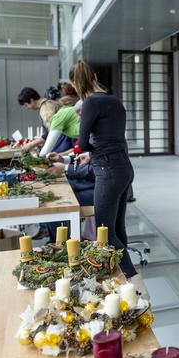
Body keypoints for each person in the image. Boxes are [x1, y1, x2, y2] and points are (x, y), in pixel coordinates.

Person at [70, 60, 136, 278]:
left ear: (78, 83)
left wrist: (87, 149)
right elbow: (113, 139)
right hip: (124, 169)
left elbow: (83, 142)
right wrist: (93, 152)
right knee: (117, 228)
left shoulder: (90, 103)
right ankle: (123, 275)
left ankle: (131, 277)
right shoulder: (115, 101)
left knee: (105, 232)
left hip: (107, 170)